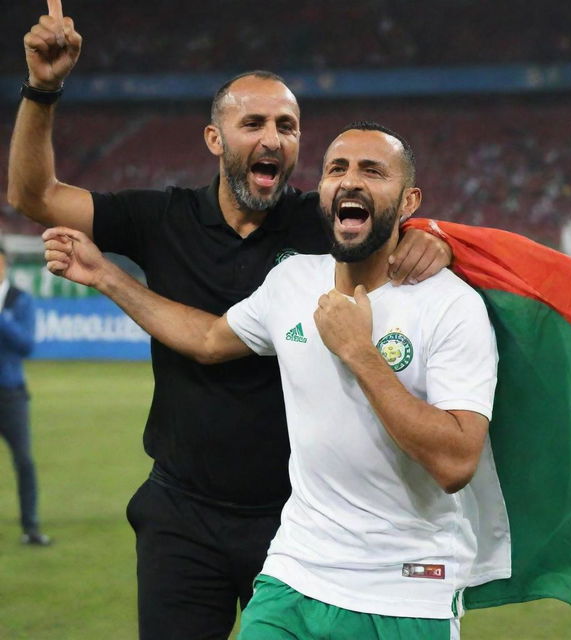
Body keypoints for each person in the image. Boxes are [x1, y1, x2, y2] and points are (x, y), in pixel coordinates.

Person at [8, 3, 452, 637]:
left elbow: (393, 215)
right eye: (253, 123)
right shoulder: (161, 218)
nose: (273, 138)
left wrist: (434, 235)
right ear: (216, 140)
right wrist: (43, 88)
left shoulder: (322, 224)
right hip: (181, 512)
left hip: (302, 520)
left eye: (288, 125)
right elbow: (32, 195)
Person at [43, 122, 510, 640]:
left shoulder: (451, 307)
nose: (349, 181)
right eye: (337, 169)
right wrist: (107, 276)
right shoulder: (292, 281)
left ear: (408, 201)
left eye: (372, 171)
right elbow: (207, 339)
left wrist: (359, 352)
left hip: (403, 588)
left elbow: (455, 462)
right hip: (295, 573)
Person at [0, 241, 51, 547]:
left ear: (5, 265)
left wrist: (1, 318)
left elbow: (26, 344)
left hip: (10, 393)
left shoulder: (20, 301)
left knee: (24, 461)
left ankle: (30, 527)